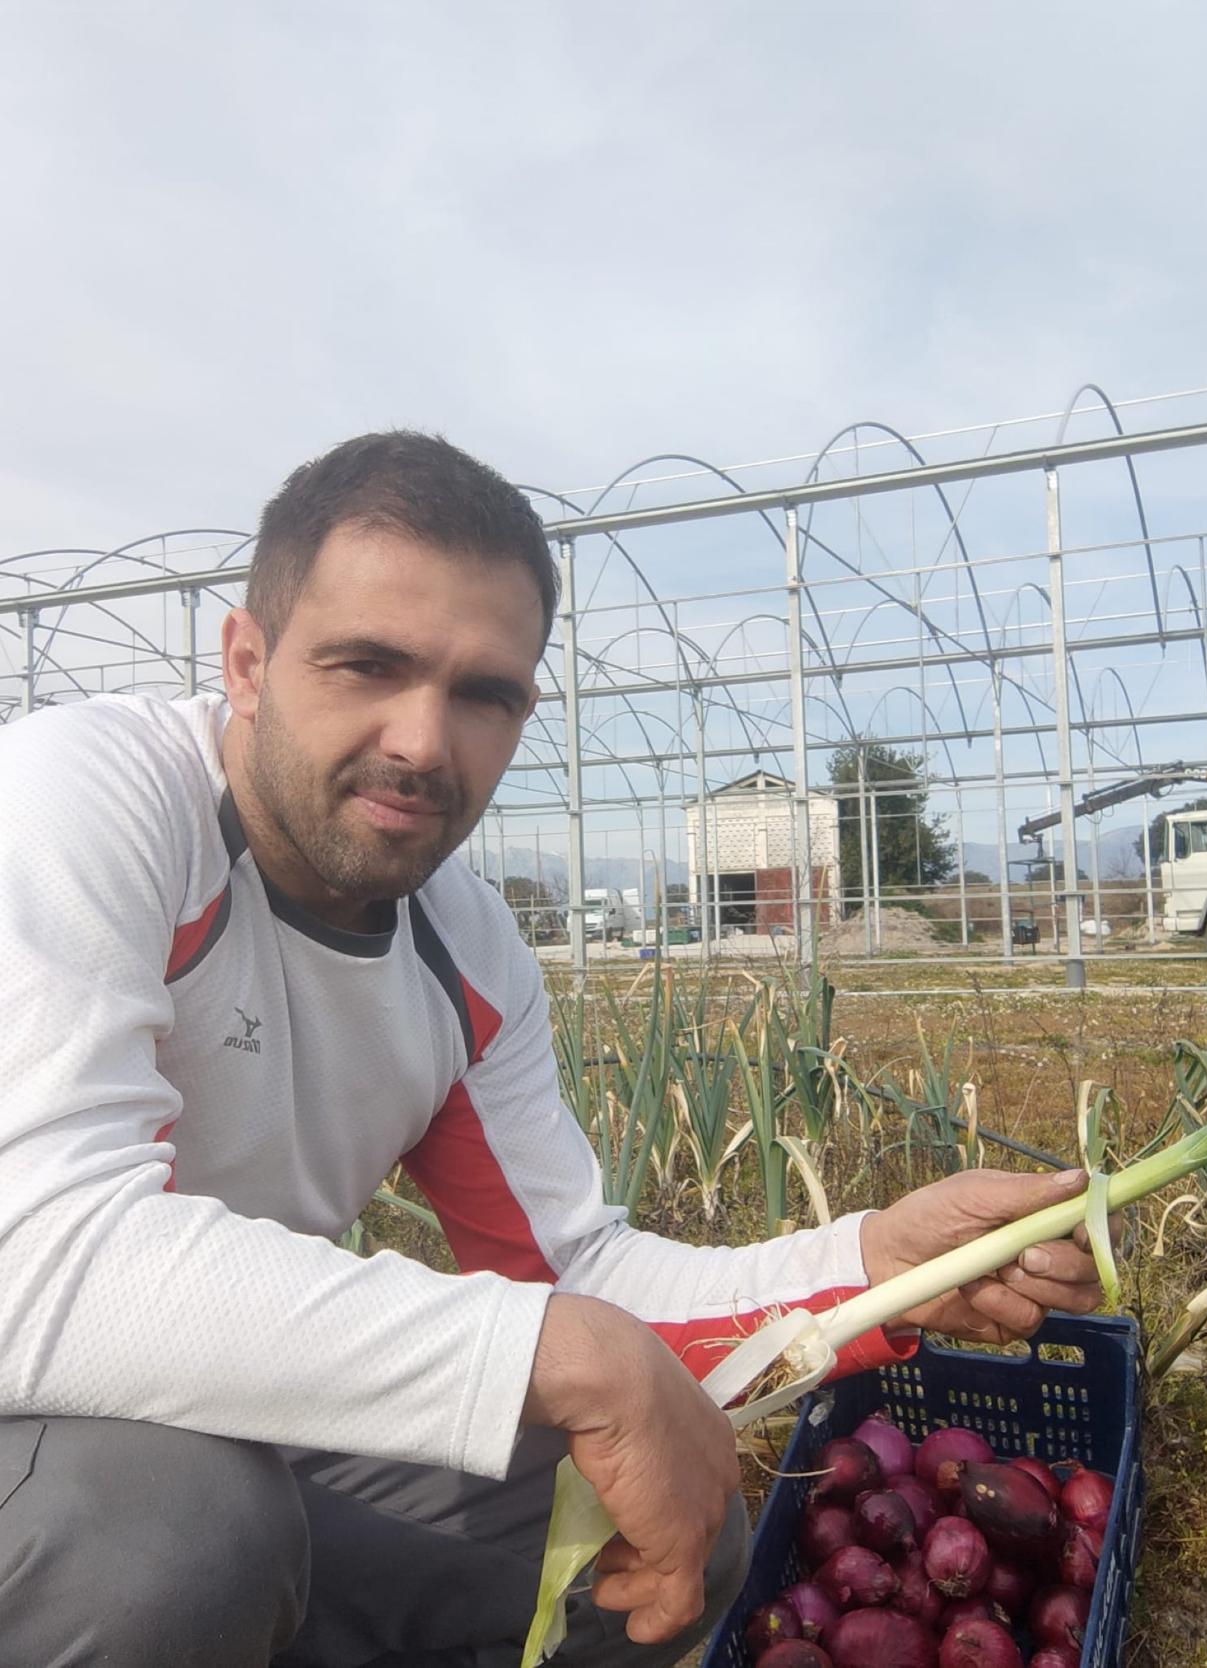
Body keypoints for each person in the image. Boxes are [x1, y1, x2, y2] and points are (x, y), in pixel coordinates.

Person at [0, 432, 1108, 1668]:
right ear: (248, 664)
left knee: (661, 1532)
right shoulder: (85, 802)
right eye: (368, 664)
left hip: (199, 1417)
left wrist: (877, 1266)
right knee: (170, 1538)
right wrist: (558, 1353)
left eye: (486, 693)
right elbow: (34, 1255)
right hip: (56, 1436)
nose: (424, 740)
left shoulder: (461, 950)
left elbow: (572, 1268)